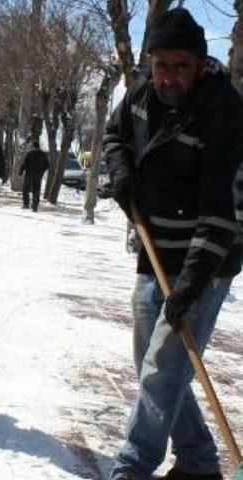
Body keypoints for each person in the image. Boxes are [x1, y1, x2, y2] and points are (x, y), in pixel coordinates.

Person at [104, 8, 243, 480]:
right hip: (155, 248)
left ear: (202, 64)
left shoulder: (222, 113)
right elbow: (114, 136)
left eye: (180, 65)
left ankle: (131, 466)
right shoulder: (141, 91)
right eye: (161, 64)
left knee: (163, 367)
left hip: (209, 257)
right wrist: (121, 170)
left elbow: (221, 213)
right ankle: (201, 462)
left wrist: (188, 288)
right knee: (153, 362)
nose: (168, 76)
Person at [19, 140, 49, 212]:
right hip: (38, 175)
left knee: (26, 189)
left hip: (29, 174)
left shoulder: (30, 154)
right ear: (38, 147)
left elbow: (24, 164)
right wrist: (42, 171)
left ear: (33, 147)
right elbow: (47, 165)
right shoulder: (43, 154)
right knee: (36, 190)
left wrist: (21, 172)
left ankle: (26, 204)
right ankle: (34, 206)